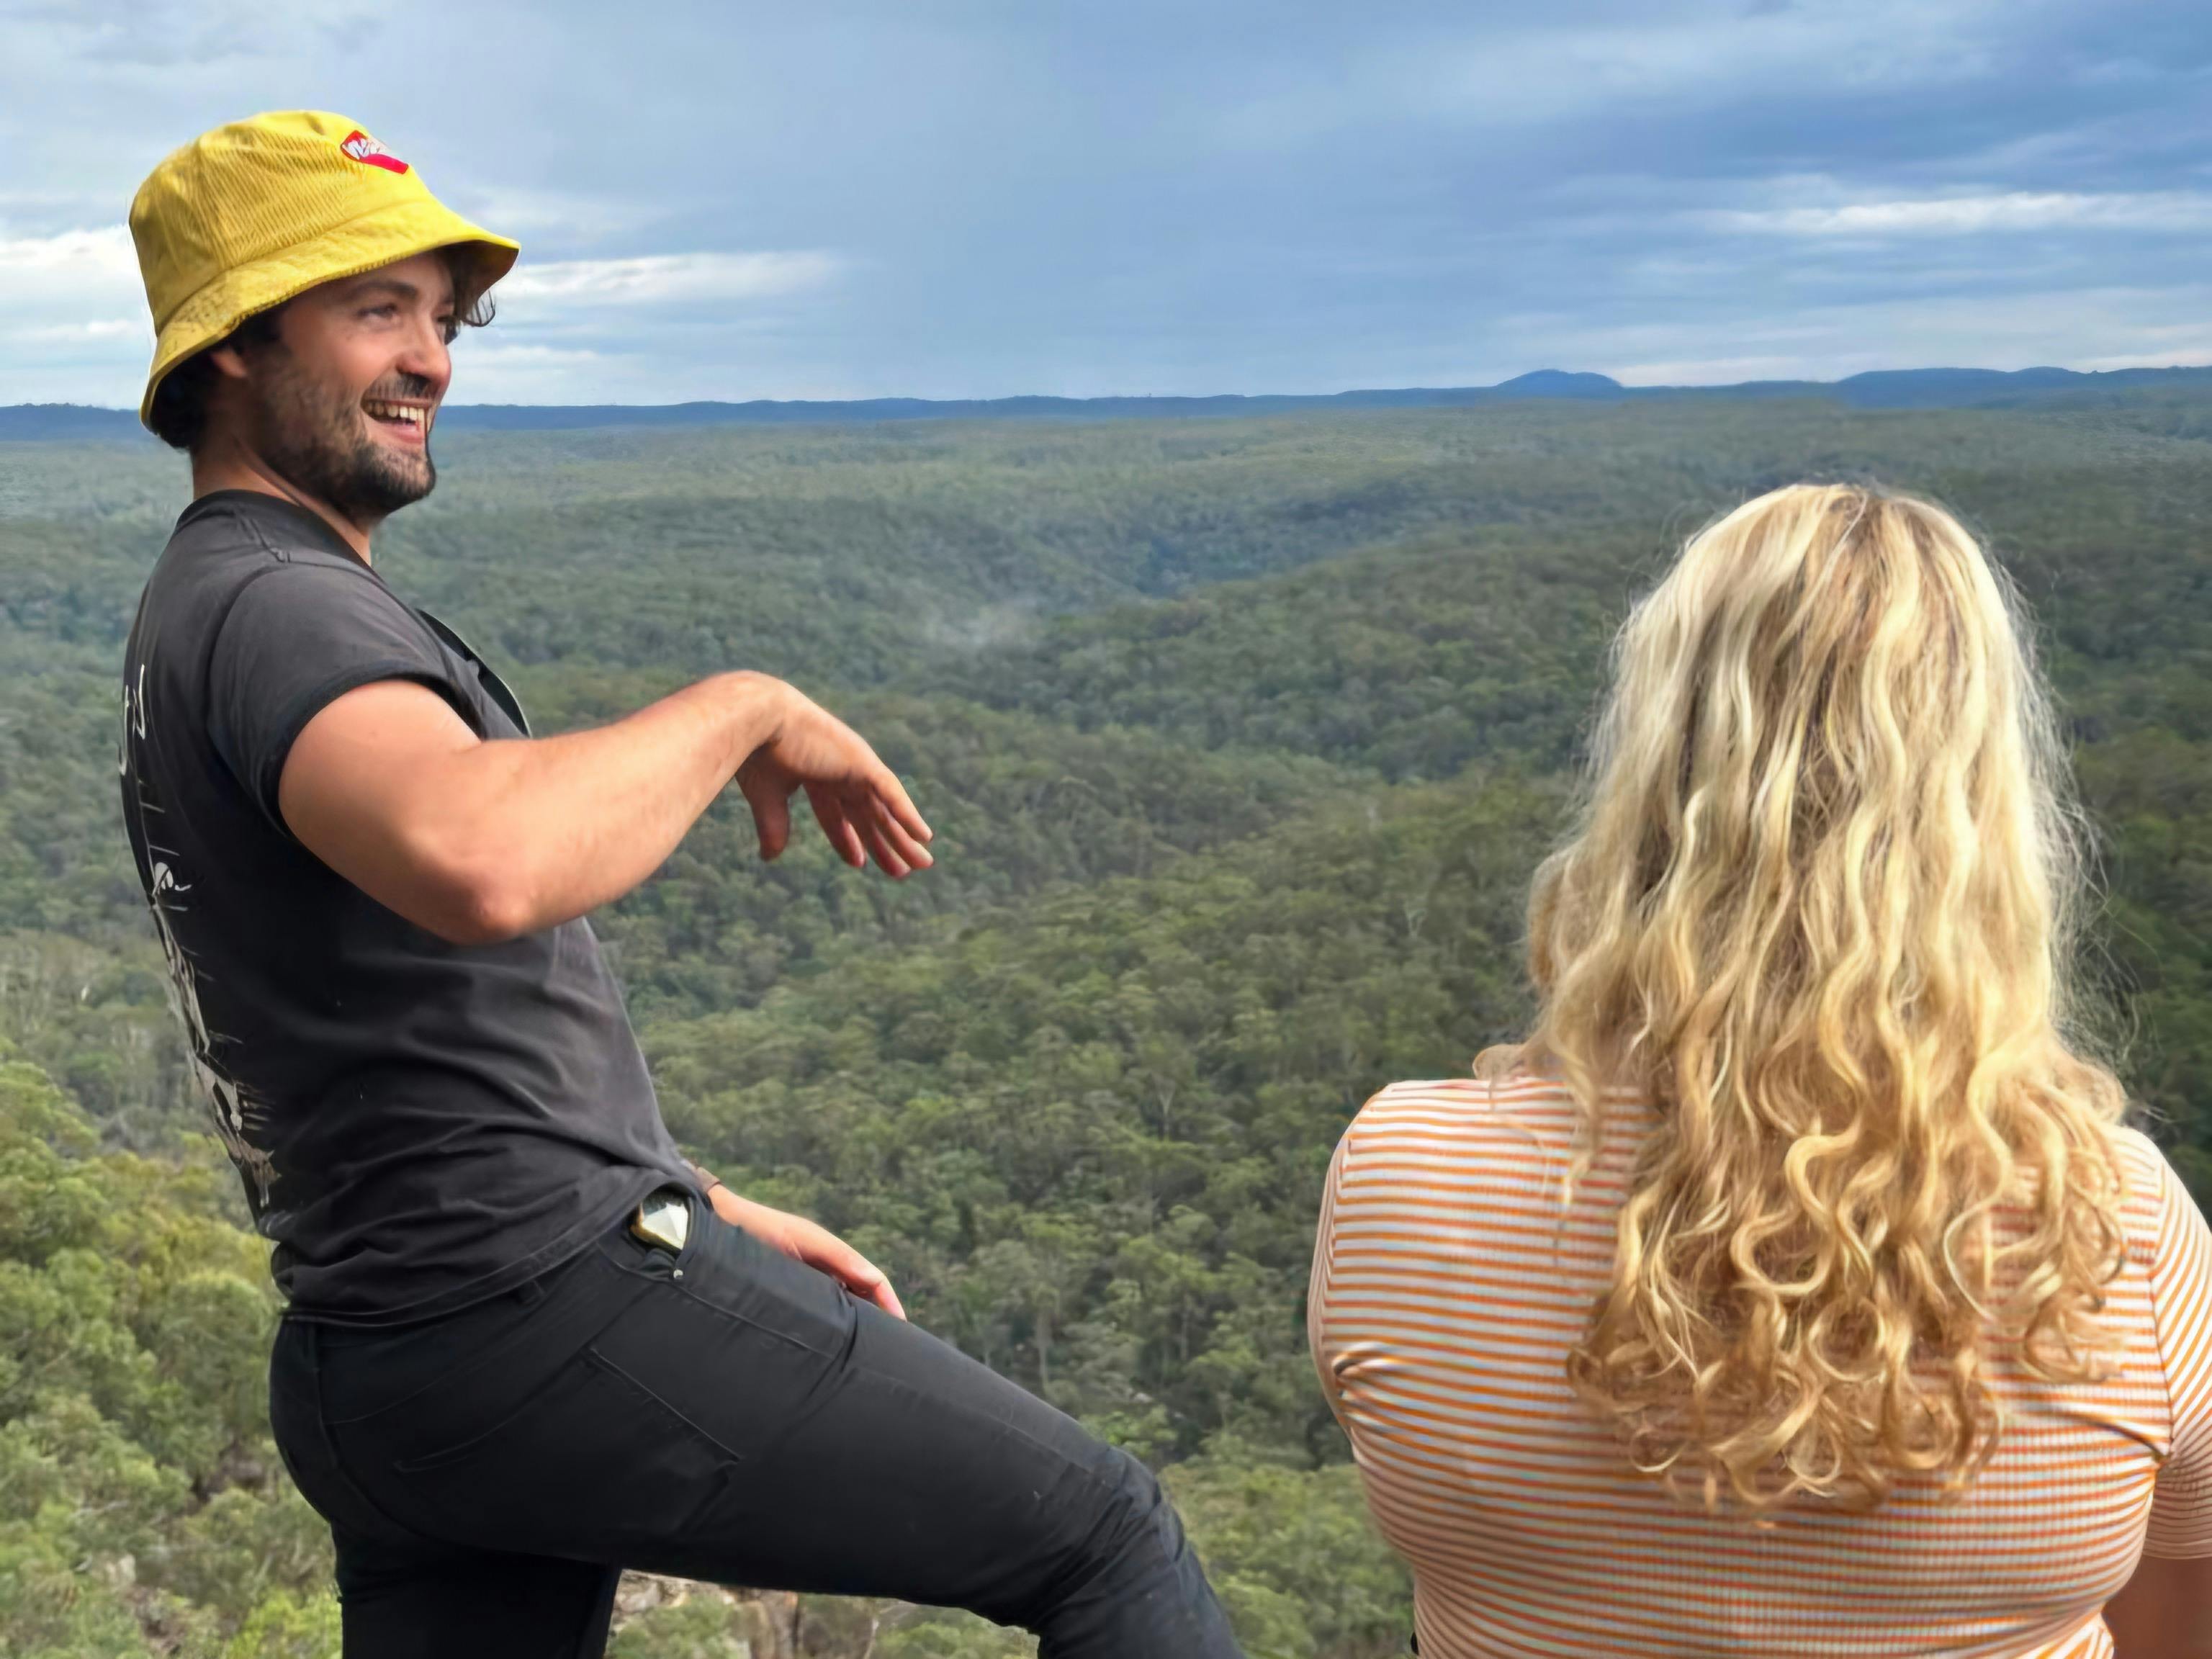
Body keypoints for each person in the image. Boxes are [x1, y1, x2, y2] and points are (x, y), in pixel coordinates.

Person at [120, 112, 1241, 1659]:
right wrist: (746, 703)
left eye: (443, 321)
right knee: (1107, 1537)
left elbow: (390, 1031)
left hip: (384, 1361)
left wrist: (681, 1200)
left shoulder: (211, 606)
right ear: (233, 343)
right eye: (376, 309)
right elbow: (483, 860)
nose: (433, 361)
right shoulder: (281, 610)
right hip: (528, 1316)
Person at [1308, 484, 2211, 1658]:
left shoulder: (1401, 1173)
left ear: (1651, 760)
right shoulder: (2115, 1228)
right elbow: (2175, 1616)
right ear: (1983, 809)